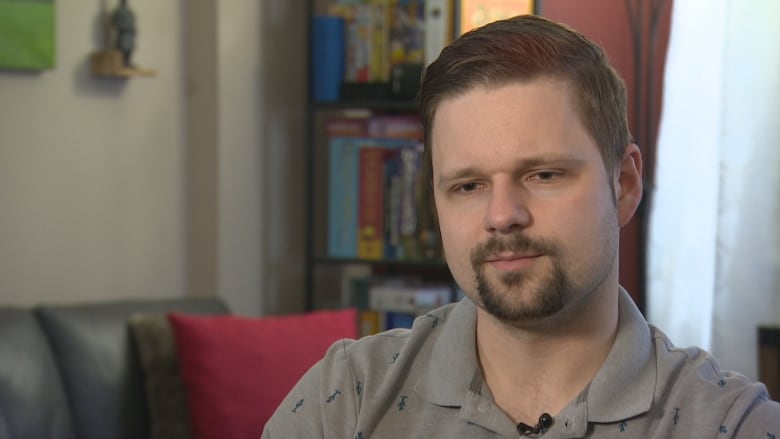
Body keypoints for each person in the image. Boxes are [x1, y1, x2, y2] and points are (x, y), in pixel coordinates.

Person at [263, 14, 780, 437]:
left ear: (622, 184)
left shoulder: (731, 424)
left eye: (543, 174)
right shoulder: (346, 399)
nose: (502, 215)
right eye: (468, 185)